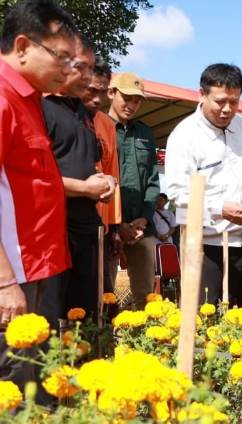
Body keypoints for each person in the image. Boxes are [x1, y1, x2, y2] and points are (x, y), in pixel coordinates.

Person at [0, 0, 75, 391]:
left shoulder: (29, 101)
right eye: (61, 57)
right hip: (12, 275)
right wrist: (4, 283)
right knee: (12, 386)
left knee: (34, 383)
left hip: (37, 268)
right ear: (24, 46)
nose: (68, 69)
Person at [165, 63, 242, 310]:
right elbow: (177, 192)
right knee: (207, 318)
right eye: (220, 101)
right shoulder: (184, 136)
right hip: (209, 244)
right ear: (202, 94)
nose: (227, 109)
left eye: (235, 101)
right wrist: (219, 209)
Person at [41, 35, 116, 327]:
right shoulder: (41, 108)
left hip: (88, 227)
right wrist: (84, 188)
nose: (87, 80)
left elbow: (84, 164)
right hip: (55, 228)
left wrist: (103, 182)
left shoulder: (84, 116)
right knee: (52, 313)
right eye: (82, 70)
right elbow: (35, 179)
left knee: (86, 311)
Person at [108, 72, 160, 310]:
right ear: (111, 93)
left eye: (137, 100)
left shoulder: (146, 133)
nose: (132, 105)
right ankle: (105, 344)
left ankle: (145, 341)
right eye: (127, 97)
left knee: (145, 295)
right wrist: (117, 224)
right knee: (104, 293)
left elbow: (152, 180)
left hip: (141, 227)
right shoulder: (98, 126)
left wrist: (143, 219)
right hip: (108, 226)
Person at [82, 56, 122, 295]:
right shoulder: (52, 111)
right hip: (66, 224)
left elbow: (113, 174)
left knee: (101, 296)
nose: (97, 99)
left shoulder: (107, 125)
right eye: (90, 90)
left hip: (101, 226)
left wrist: (115, 228)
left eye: (102, 92)